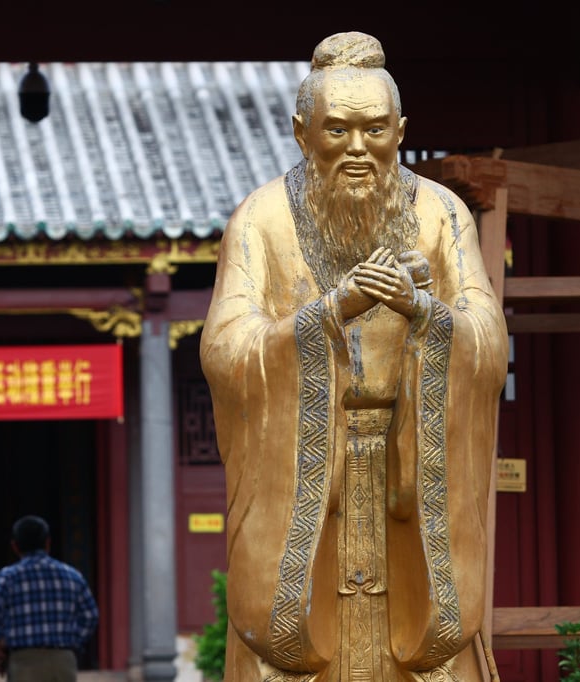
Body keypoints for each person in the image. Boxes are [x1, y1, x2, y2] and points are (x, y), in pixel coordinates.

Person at [199, 31, 508, 682]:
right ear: (300, 131)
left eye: (374, 129)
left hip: (412, 480)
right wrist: (325, 313)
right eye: (336, 131)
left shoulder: (444, 214)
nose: (358, 148)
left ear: (400, 129)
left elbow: (487, 337)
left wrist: (422, 311)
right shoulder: (259, 220)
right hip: (312, 481)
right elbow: (227, 348)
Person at [0, 515, 99, 682]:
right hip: (62, 659)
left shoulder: (7, 577)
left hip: (24, 660)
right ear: (48, 543)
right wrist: (73, 640)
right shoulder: (72, 575)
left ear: (15, 546)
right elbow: (90, 615)